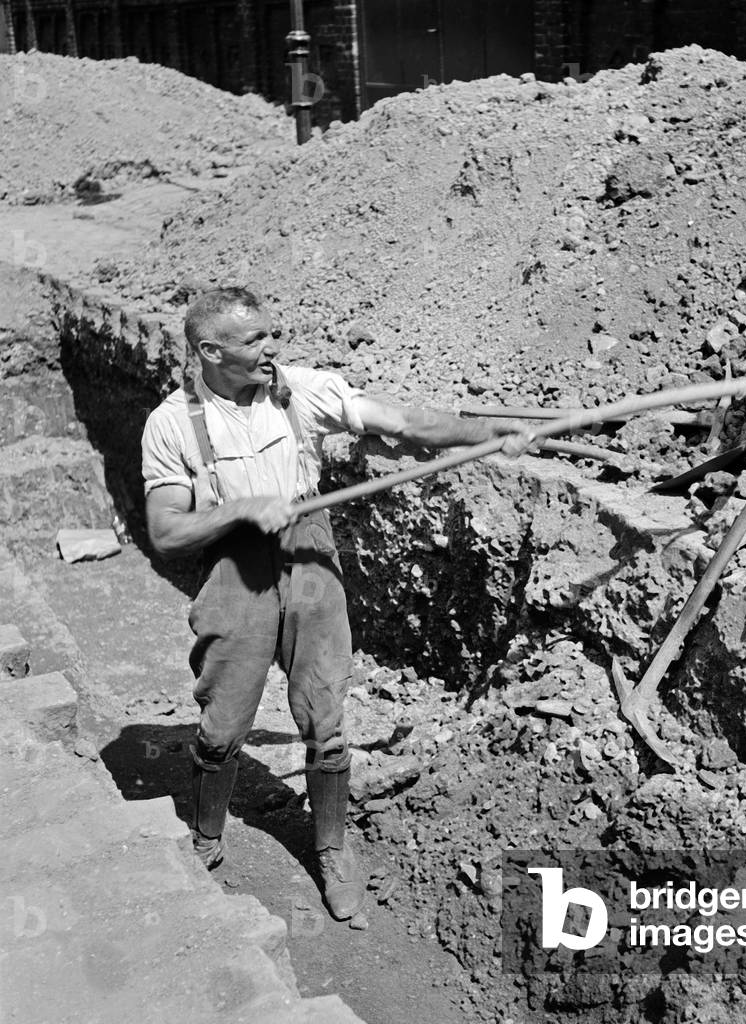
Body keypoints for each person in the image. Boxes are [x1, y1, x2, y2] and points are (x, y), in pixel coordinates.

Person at [141, 286, 532, 921]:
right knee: (223, 723)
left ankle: (331, 848)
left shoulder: (303, 390)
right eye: (254, 340)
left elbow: (403, 423)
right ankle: (207, 836)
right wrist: (240, 509)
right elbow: (165, 531)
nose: (272, 347)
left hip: (308, 555)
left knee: (325, 712)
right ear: (210, 352)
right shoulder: (173, 422)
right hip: (233, 565)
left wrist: (491, 432)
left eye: (271, 333)